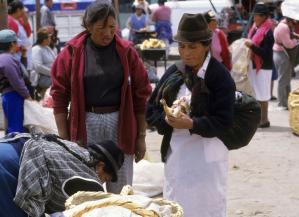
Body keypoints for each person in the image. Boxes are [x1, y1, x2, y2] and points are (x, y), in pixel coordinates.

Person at [50, 1, 152, 194]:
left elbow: (141, 95)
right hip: (86, 123)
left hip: (120, 123)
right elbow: (59, 96)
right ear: (88, 27)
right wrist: (64, 139)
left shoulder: (126, 51)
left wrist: (141, 137)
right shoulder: (72, 52)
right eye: (100, 28)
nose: (107, 33)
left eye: (112, 27)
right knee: (88, 188)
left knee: (121, 189)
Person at [146, 13, 236, 217]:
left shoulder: (219, 77)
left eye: (192, 47)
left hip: (208, 160)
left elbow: (224, 121)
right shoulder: (174, 72)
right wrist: (167, 119)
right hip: (177, 157)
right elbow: (151, 110)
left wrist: (192, 124)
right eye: (182, 47)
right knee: (177, 205)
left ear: (206, 46)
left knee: (208, 206)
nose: (186, 53)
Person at [0, 133, 124, 217]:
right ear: (101, 166)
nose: (102, 182)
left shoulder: (75, 150)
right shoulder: (90, 182)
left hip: (9, 146)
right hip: (11, 165)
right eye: (105, 178)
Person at [245, 3, 274, 128]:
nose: (254, 18)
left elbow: (266, 54)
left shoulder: (268, 32)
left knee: (263, 95)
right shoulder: (256, 28)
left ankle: (264, 120)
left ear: (263, 17)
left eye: (256, 16)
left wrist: (252, 46)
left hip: (263, 67)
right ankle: (259, 119)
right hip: (255, 66)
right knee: (256, 93)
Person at [0, 29, 32, 134]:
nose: (17, 45)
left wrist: (24, 56)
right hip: (13, 95)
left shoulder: (5, 58)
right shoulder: (7, 60)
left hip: (10, 96)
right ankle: (15, 150)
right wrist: (27, 96)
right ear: (11, 44)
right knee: (16, 129)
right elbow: (17, 82)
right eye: (16, 43)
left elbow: (21, 72)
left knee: (13, 127)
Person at [273, 17, 299, 109]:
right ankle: (281, 103)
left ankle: (286, 101)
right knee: (283, 80)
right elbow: (288, 44)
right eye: (293, 24)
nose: (293, 26)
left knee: (286, 79)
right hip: (282, 54)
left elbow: (288, 36)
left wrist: (295, 36)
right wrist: (296, 41)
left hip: (279, 53)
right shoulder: (284, 27)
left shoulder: (282, 24)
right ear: (289, 21)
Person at [32, 27, 56, 99]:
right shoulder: (36, 49)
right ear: (44, 39)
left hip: (51, 78)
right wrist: (52, 72)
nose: (50, 39)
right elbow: (38, 66)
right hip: (42, 80)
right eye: (49, 38)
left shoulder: (47, 48)